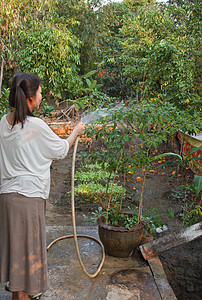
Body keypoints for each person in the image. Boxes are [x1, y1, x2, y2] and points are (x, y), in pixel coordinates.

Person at [0, 73, 85, 300]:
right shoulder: (35, 125)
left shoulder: (2, 123)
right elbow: (59, 150)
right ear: (29, 97)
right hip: (28, 201)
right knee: (28, 262)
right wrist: (75, 132)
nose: (41, 96)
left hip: (7, 200)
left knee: (17, 260)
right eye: (39, 92)